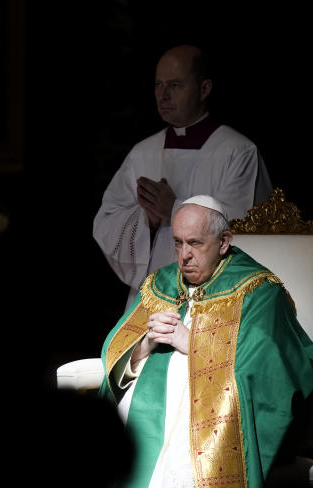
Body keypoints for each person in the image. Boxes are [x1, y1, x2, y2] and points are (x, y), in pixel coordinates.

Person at [89, 195, 313, 488]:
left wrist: (195, 345)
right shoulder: (161, 284)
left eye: (196, 244)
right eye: (178, 243)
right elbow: (117, 354)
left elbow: (270, 365)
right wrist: (144, 346)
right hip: (144, 416)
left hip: (209, 417)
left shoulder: (258, 290)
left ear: (224, 242)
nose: (184, 256)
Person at [93, 44, 273, 310]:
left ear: (204, 89)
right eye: (158, 85)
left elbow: (243, 228)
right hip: (152, 301)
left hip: (216, 302)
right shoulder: (142, 153)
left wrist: (175, 210)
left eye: (175, 86)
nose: (163, 96)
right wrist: (148, 220)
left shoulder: (238, 152)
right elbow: (106, 221)